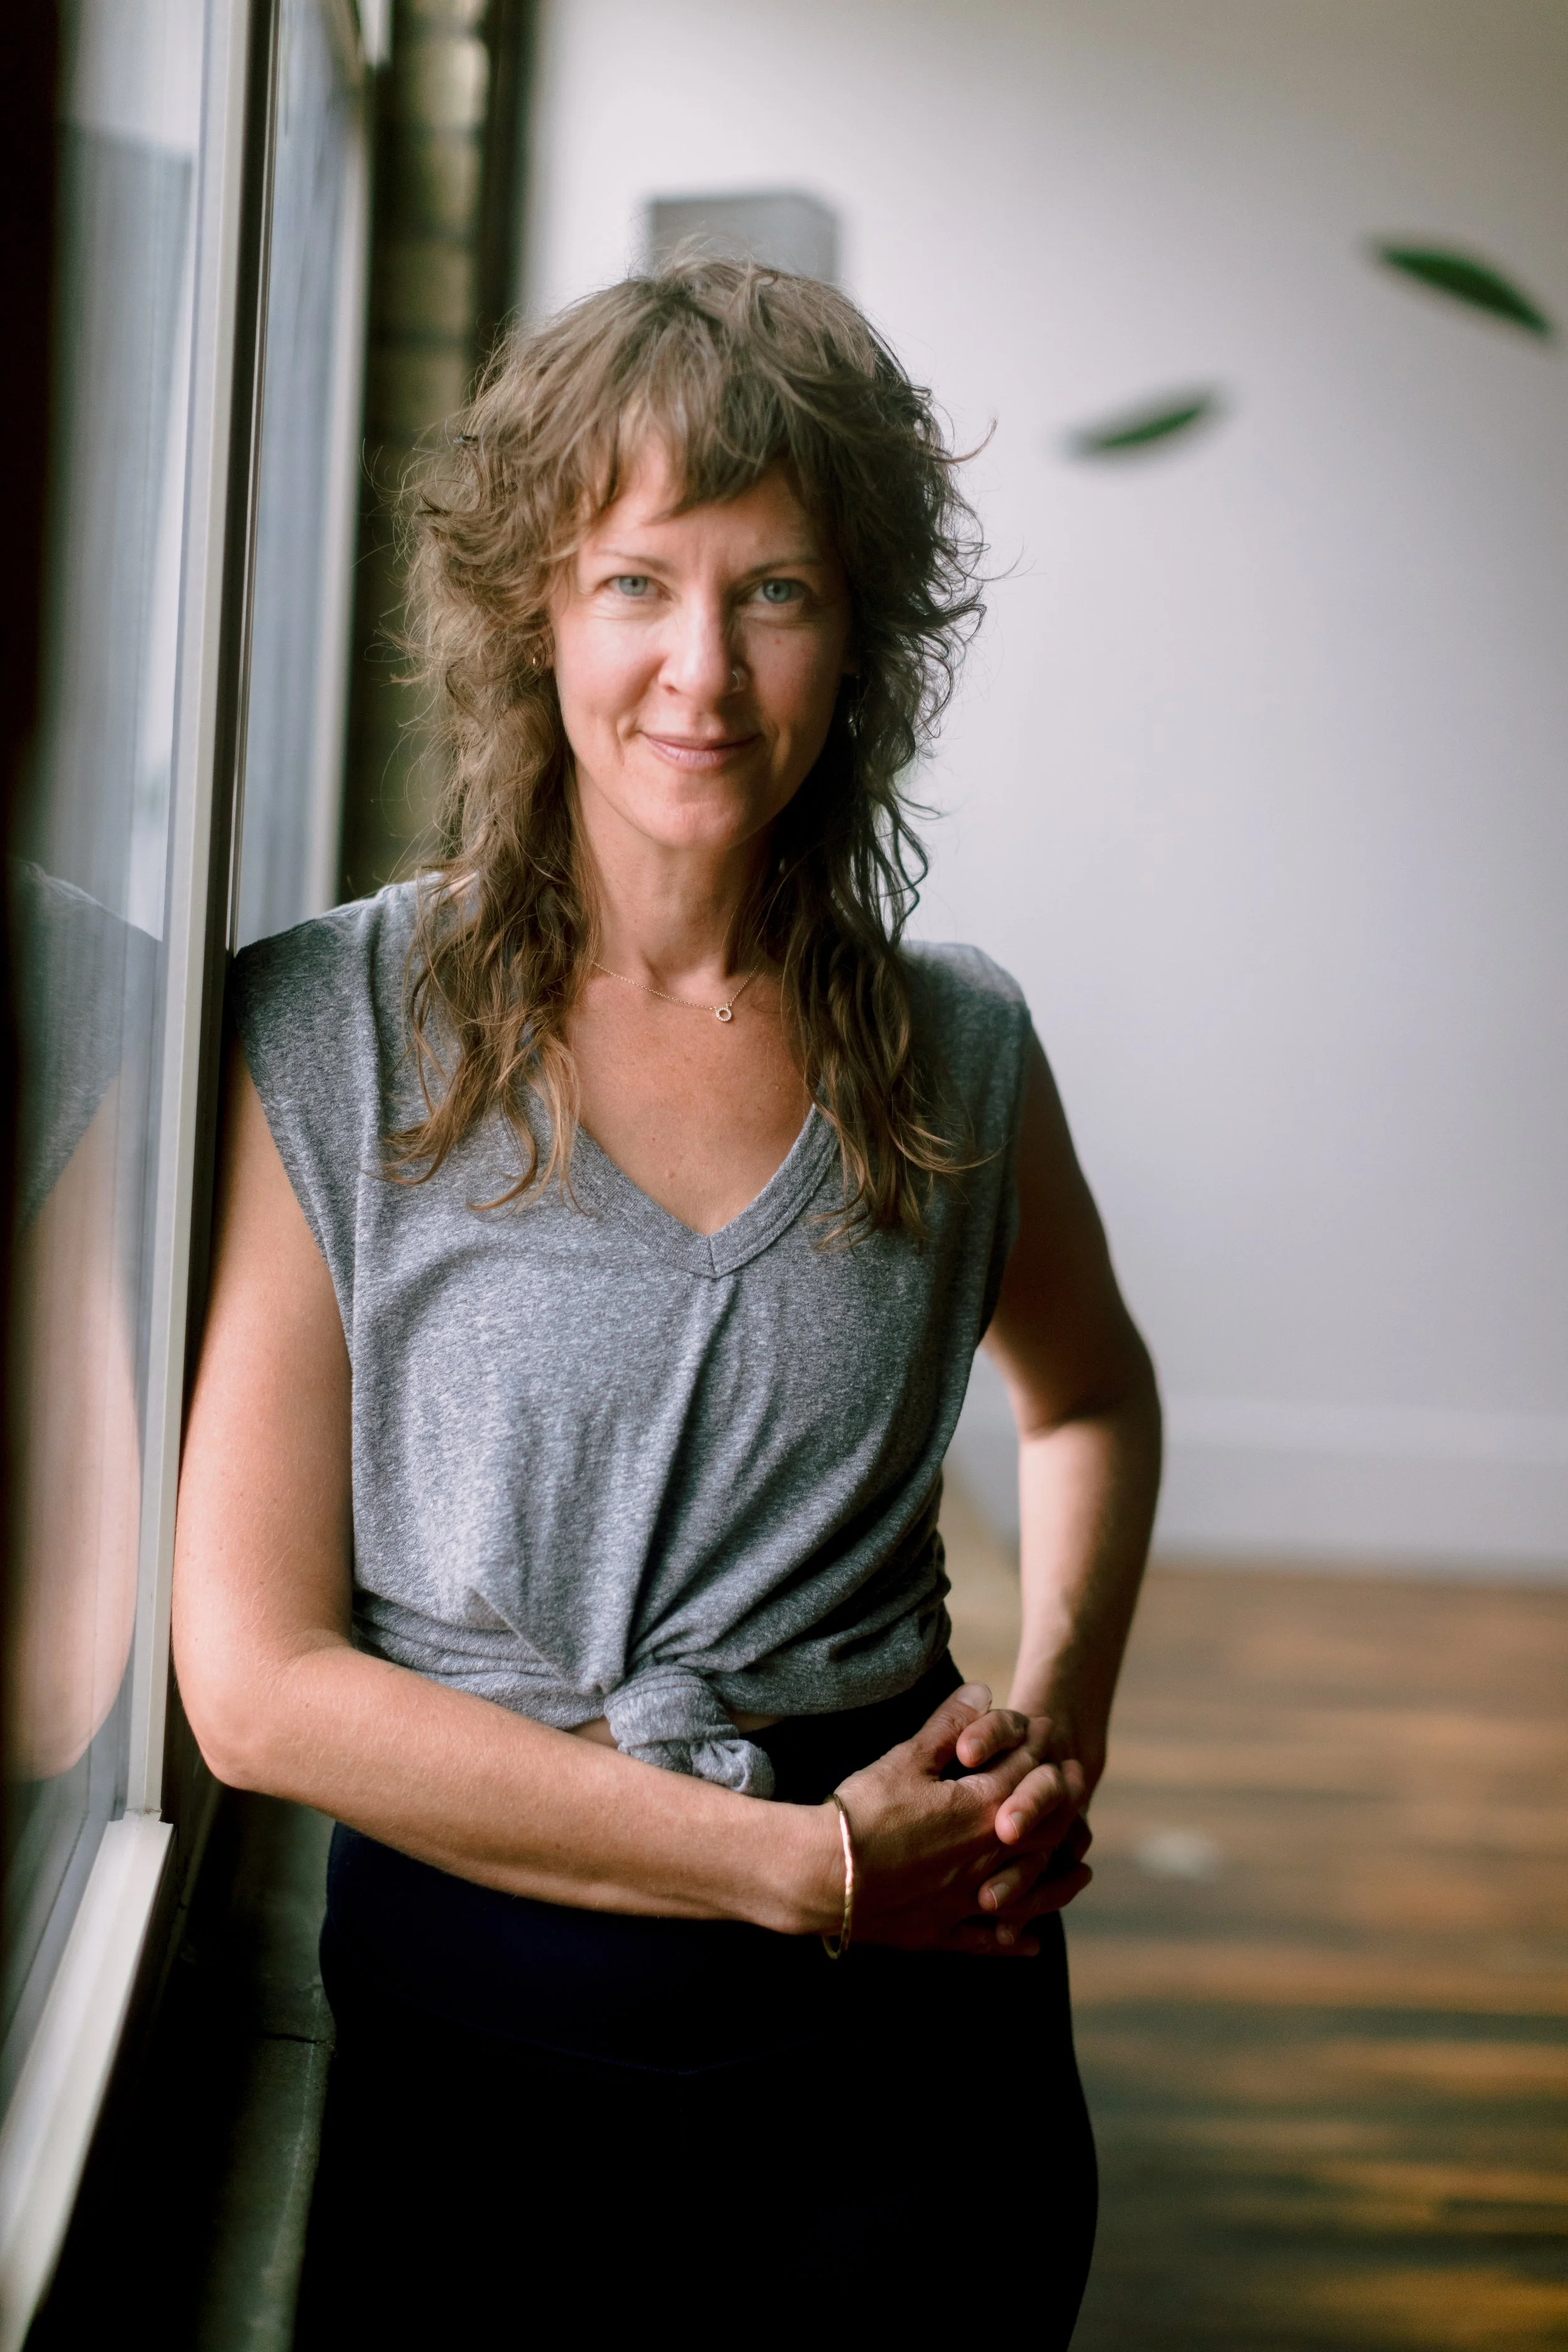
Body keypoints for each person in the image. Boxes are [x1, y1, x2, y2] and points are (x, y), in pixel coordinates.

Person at [172, 256, 1160, 2342]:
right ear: (533, 612)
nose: (699, 669)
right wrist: (800, 1872)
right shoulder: (330, 1029)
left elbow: (1084, 1398)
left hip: (924, 2058)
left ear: (857, 635)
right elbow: (250, 1685)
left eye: (773, 589)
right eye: (636, 581)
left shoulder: (961, 1042)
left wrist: (1056, 1707)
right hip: (485, 2058)